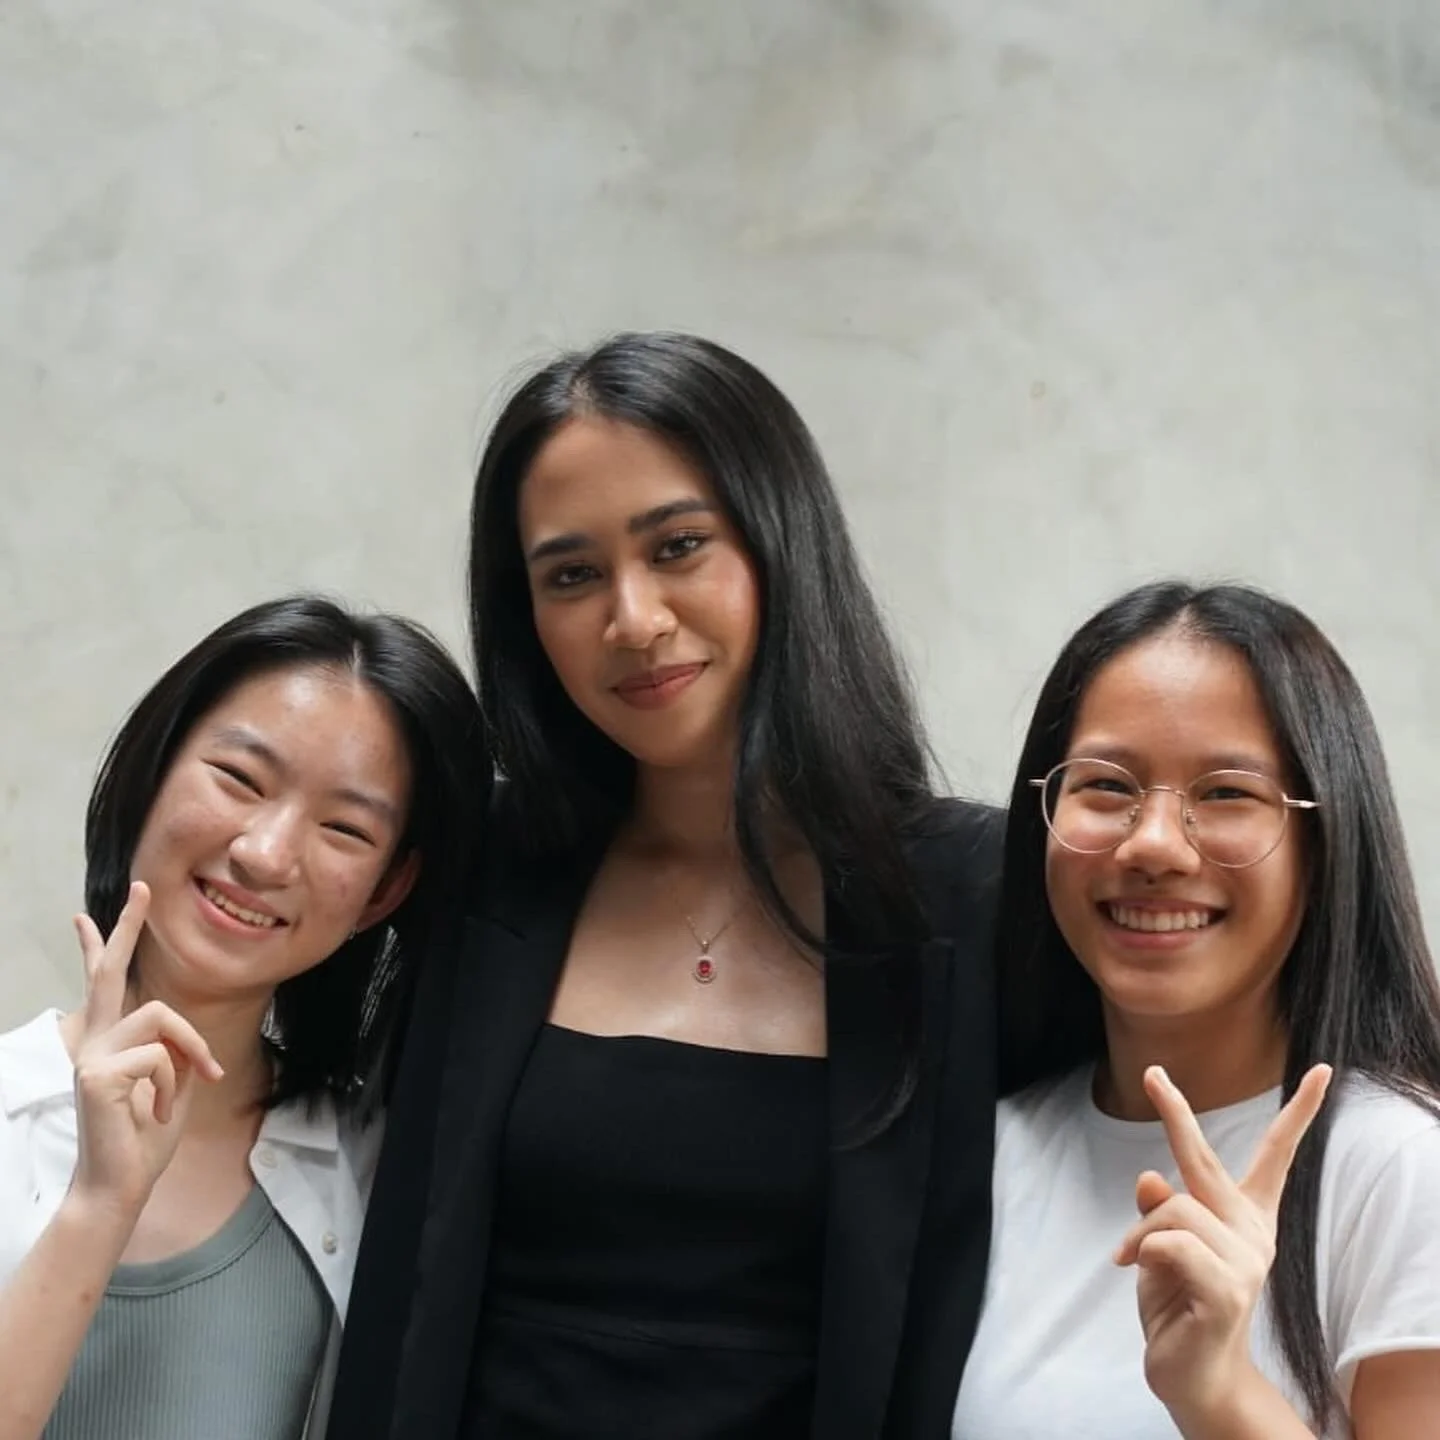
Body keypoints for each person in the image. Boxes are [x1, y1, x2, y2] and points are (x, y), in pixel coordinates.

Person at [328, 331, 1005, 1440]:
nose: (632, 619)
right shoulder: (482, 860)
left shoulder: (966, 897)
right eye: (572, 575)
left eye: (679, 545)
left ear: (782, 545)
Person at [952, 581, 1440, 1439]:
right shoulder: (981, 1152)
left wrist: (1216, 1393)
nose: (1152, 845)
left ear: (1326, 844)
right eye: (1106, 786)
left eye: (1226, 794)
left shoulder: (1402, 1169)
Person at [0, 595, 484, 1440]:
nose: (264, 854)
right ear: (154, 771)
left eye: (343, 828)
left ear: (386, 892)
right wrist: (101, 1204)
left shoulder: (375, 1169)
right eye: (240, 780)